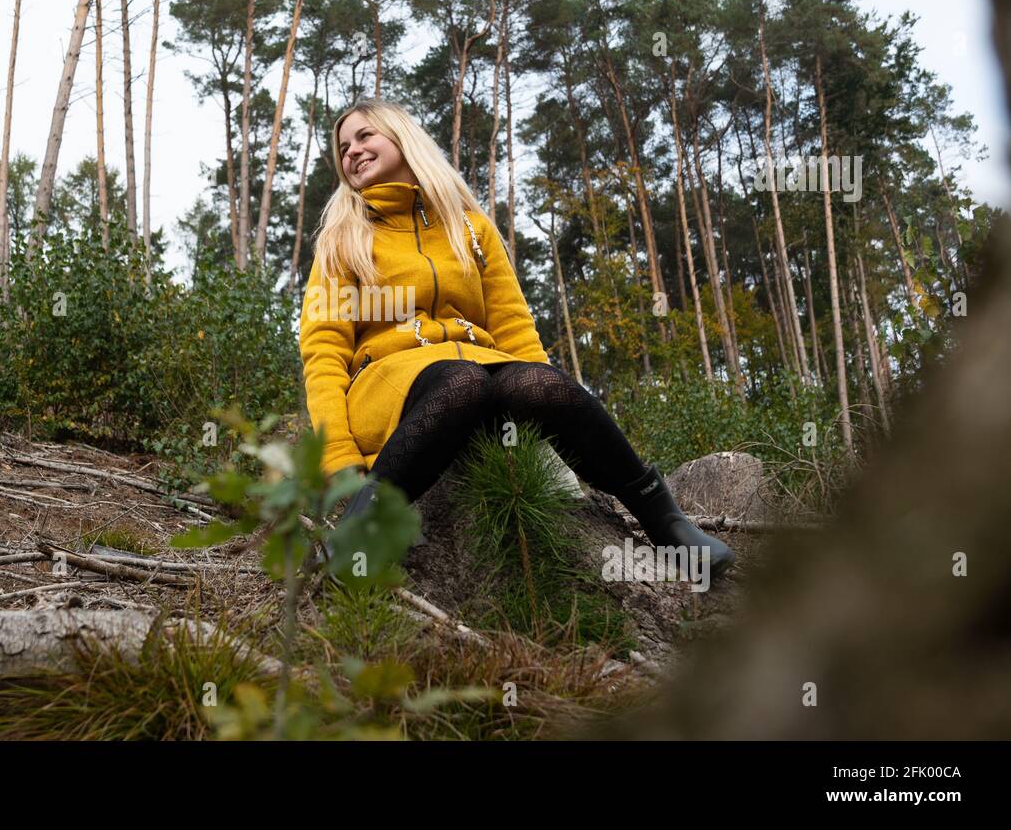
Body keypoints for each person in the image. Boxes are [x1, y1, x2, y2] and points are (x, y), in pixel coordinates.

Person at [298, 97, 734, 578]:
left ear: (402, 138)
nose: (352, 151)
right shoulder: (343, 239)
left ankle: (663, 518)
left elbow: (512, 325)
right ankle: (358, 532)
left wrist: (548, 396)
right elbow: (323, 350)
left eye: (364, 136)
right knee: (461, 380)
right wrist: (338, 458)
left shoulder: (469, 226)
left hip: (481, 372)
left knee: (538, 384)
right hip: (388, 383)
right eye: (342, 147)